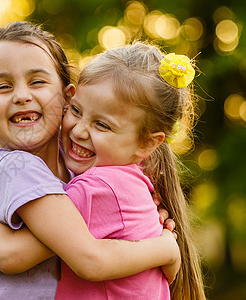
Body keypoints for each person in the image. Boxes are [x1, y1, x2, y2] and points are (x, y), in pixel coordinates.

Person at [0, 21, 180, 300]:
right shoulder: (20, 166)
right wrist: (165, 248)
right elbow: (12, 254)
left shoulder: (81, 161)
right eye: (4, 86)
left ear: (66, 97)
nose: (22, 96)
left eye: (37, 81)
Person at [52, 42, 206, 299]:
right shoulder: (131, 178)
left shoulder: (96, 189)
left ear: (146, 143)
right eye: (76, 110)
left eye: (102, 125)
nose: (78, 130)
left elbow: (10, 252)